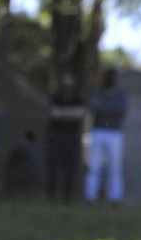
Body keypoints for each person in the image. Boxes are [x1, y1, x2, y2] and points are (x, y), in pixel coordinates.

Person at [84, 68, 128, 205]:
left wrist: (104, 109)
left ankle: (114, 197)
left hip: (115, 133)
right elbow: (93, 107)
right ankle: (90, 196)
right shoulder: (97, 93)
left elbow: (121, 111)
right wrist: (107, 109)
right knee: (94, 165)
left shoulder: (120, 95)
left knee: (114, 167)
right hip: (98, 131)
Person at [46, 72, 86, 203]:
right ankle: (51, 196)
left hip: (72, 138)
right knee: (53, 167)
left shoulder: (77, 98)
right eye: (65, 82)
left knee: (70, 168)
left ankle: (67, 197)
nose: (67, 86)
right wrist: (70, 113)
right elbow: (54, 113)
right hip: (56, 137)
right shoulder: (56, 97)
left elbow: (80, 114)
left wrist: (63, 113)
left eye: (69, 83)